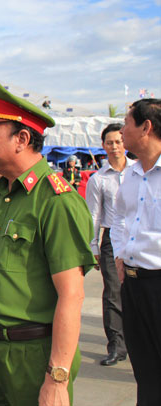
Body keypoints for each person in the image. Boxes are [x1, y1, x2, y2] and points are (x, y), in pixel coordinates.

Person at [0, 76, 96, 406]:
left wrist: (57, 378)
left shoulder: (56, 201)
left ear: (22, 138)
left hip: (32, 356)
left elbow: (71, 295)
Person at [111, 98, 161, 406]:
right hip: (134, 284)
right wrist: (119, 253)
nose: (122, 131)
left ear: (146, 127)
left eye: (127, 124)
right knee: (145, 370)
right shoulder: (129, 176)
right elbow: (119, 218)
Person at [84, 123, 133, 367]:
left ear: (126, 142)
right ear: (103, 146)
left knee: (142, 292)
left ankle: (141, 341)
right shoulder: (98, 179)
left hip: (139, 239)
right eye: (109, 142)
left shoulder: (140, 171)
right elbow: (92, 215)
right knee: (113, 293)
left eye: (118, 141)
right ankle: (116, 345)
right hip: (112, 240)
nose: (115, 147)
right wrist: (92, 248)